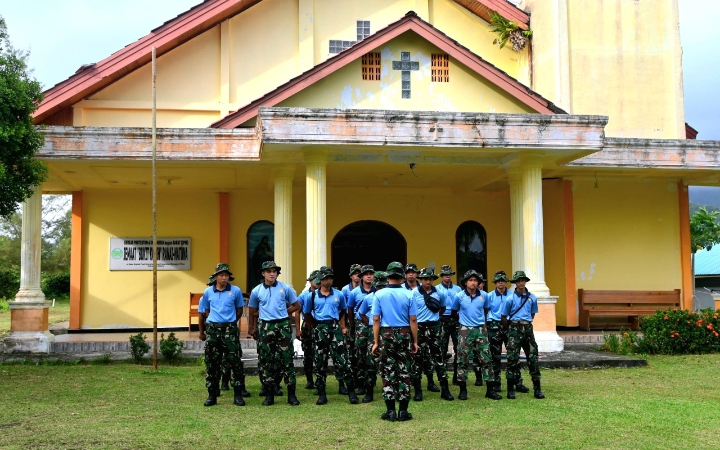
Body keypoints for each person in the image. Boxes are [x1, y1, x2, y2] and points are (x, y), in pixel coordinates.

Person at [303, 267, 360, 405]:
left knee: (343, 361)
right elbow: (307, 313)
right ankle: (322, 393)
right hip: (320, 328)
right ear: (320, 280)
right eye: (325, 278)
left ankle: (351, 392)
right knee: (320, 362)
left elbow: (343, 310)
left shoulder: (339, 294)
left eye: (330, 278)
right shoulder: (312, 296)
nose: (328, 281)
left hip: (334, 328)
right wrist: (315, 326)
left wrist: (339, 324)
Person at [248, 261, 301, 406]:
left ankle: (291, 395)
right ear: (263, 273)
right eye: (268, 271)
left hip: (283, 325)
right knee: (267, 361)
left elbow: (296, 305)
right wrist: (256, 323)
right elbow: (252, 311)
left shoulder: (285, 288)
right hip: (266, 326)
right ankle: (269, 395)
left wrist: (284, 312)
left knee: (287, 359)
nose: (272, 274)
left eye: (274, 271)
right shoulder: (257, 290)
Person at [371, 262, 419, 422]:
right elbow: (413, 319)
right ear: (402, 276)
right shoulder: (409, 294)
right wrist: (415, 341)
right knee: (404, 370)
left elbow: (376, 319)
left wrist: (376, 342)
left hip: (386, 333)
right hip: (404, 333)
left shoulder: (379, 294)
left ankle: (390, 411)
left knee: (387, 370)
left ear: (388, 275)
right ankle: (403, 411)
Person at [198, 263, 249, 407]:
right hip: (213, 330)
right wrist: (212, 322)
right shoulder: (208, 292)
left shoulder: (235, 291)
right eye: (221, 275)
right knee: (212, 363)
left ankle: (238, 395)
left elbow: (239, 310)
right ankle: (212, 395)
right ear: (216, 277)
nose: (224, 278)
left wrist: (230, 322)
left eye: (226, 275)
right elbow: (205, 311)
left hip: (229, 330)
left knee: (235, 362)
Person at [451, 270, 502, 401]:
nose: (473, 283)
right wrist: (463, 323)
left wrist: (480, 324)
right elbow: (454, 312)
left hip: (480, 330)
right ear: (465, 282)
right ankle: (463, 390)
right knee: (462, 360)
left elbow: (486, 310)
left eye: (475, 280)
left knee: (486, 359)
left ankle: (490, 389)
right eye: (470, 280)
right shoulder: (459, 296)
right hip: (465, 330)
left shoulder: (484, 295)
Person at [410, 267, 454, 402]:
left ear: (433, 279)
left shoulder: (440, 292)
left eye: (430, 279)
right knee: (417, 359)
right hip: (420, 327)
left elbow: (443, 308)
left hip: (435, 327)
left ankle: (445, 389)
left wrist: (434, 317)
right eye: (425, 279)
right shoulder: (413, 293)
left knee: (439, 358)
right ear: (421, 279)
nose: (427, 281)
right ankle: (418, 391)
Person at [501, 270, 545, 400]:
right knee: (512, 359)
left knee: (533, 357)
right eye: (518, 281)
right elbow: (504, 317)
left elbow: (532, 313)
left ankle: (537, 389)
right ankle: (510, 389)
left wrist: (526, 323)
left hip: (527, 328)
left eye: (523, 280)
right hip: (514, 327)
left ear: (525, 281)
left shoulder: (532, 297)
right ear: (515, 283)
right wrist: (511, 328)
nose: (521, 283)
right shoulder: (509, 298)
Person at [486, 270, 528, 394]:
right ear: (495, 283)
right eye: (498, 281)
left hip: (510, 325)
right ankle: (496, 383)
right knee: (495, 356)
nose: (501, 283)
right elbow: (486, 310)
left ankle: (517, 382)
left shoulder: (512, 295)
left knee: (513, 355)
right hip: (494, 325)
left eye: (503, 281)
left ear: (506, 282)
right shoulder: (489, 296)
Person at [358, 271, 387, 403]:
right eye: (379, 286)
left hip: (387, 330)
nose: (381, 288)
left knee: (389, 360)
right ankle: (369, 391)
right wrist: (370, 323)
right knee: (371, 362)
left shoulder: (390, 297)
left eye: (383, 286)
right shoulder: (369, 297)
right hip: (373, 331)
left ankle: (391, 389)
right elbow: (361, 313)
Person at [347, 265, 375, 396]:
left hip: (375, 325)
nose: (369, 276)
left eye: (371, 274)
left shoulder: (378, 291)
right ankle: (361, 383)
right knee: (360, 355)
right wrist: (352, 327)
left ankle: (371, 383)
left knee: (373, 355)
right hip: (360, 325)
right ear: (362, 277)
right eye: (366, 274)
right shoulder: (354, 292)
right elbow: (350, 310)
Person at [435, 265, 462, 385]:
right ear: (441, 276)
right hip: (442, 319)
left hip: (455, 319)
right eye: (445, 274)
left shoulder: (458, 289)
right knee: (442, 348)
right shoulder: (436, 289)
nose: (447, 276)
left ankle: (457, 376)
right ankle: (443, 376)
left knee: (458, 348)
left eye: (449, 274)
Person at [295, 270, 320, 390]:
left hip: (320, 324)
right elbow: (297, 312)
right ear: (310, 281)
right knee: (308, 354)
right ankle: (309, 380)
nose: (318, 282)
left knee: (321, 354)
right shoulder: (304, 295)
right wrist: (298, 329)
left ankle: (320, 380)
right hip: (307, 326)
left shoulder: (324, 293)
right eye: (315, 279)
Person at [340, 263, 362, 395]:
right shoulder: (345, 290)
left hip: (362, 322)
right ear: (350, 276)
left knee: (360, 351)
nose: (357, 276)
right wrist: (344, 326)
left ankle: (361, 379)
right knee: (349, 350)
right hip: (349, 321)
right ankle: (351, 378)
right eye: (355, 274)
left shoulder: (366, 288)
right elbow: (342, 310)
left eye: (359, 274)